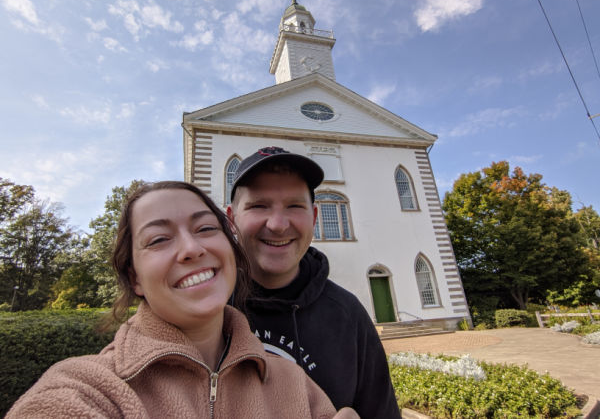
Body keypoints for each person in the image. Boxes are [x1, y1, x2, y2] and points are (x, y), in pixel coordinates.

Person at [7, 181, 354, 418]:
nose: (192, 248)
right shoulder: (89, 388)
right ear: (134, 278)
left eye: (205, 229)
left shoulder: (293, 383)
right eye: (158, 239)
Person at [227, 147, 402, 418]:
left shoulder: (347, 313)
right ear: (231, 219)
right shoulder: (206, 308)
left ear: (315, 218)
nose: (277, 224)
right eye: (258, 206)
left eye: (295, 206)